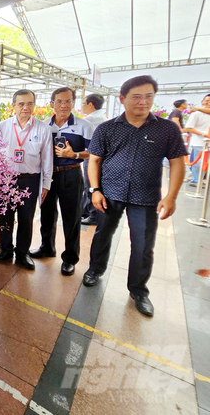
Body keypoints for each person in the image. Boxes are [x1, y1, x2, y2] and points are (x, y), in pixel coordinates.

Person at [82, 75, 187, 317]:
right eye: (136, 97)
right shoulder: (107, 128)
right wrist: (95, 190)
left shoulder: (166, 129)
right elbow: (94, 161)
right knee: (102, 235)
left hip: (146, 196)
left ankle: (138, 290)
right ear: (122, 99)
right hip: (110, 193)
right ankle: (94, 270)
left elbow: (177, 164)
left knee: (142, 245)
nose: (143, 102)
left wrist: (171, 197)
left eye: (148, 96)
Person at [32, 87, 94, 276]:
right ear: (52, 104)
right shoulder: (43, 126)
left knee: (72, 218)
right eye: (59, 101)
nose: (64, 105)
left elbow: (94, 153)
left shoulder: (84, 126)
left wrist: (73, 154)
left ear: (74, 103)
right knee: (47, 214)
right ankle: (47, 247)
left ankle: (70, 258)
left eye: (68, 101)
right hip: (48, 175)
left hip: (72, 174)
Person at [0, 89, 53, 270]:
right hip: (6, 178)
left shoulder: (43, 129)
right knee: (5, 216)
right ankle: (5, 249)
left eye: (29, 104)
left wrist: (46, 184)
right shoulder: (2, 127)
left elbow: (47, 159)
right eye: (21, 104)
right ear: (13, 106)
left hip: (30, 180)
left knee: (26, 218)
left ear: (34, 105)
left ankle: (23, 252)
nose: (25, 108)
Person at [80, 94, 107, 226]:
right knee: (89, 184)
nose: (82, 106)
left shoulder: (91, 118)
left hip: (91, 156)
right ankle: (86, 211)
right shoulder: (100, 116)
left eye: (83, 103)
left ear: (91, 105)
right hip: (95, 155)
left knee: (90, 184)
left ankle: (93, 215)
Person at [183, 94, 210, 187]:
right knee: (198, 163)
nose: (207, 103)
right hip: (200, 142)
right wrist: (204, 134)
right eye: (206, 100)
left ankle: (202, 180)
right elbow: (189, 128)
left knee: (205, 163)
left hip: (207, 143)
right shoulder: (196, 114)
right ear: (202, 101)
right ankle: (195, 180)